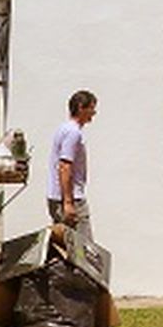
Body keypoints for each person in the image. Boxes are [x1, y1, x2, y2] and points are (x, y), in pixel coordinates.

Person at [48, 90, 98, 239]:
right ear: (81, 107)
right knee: (84, 248)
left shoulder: (64, 128)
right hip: (71, 199)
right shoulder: (73, 133)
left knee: (64, 246)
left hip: (58, 197)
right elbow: (65, 166)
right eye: (92, 108)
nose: (94, 113)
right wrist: (68, 203)